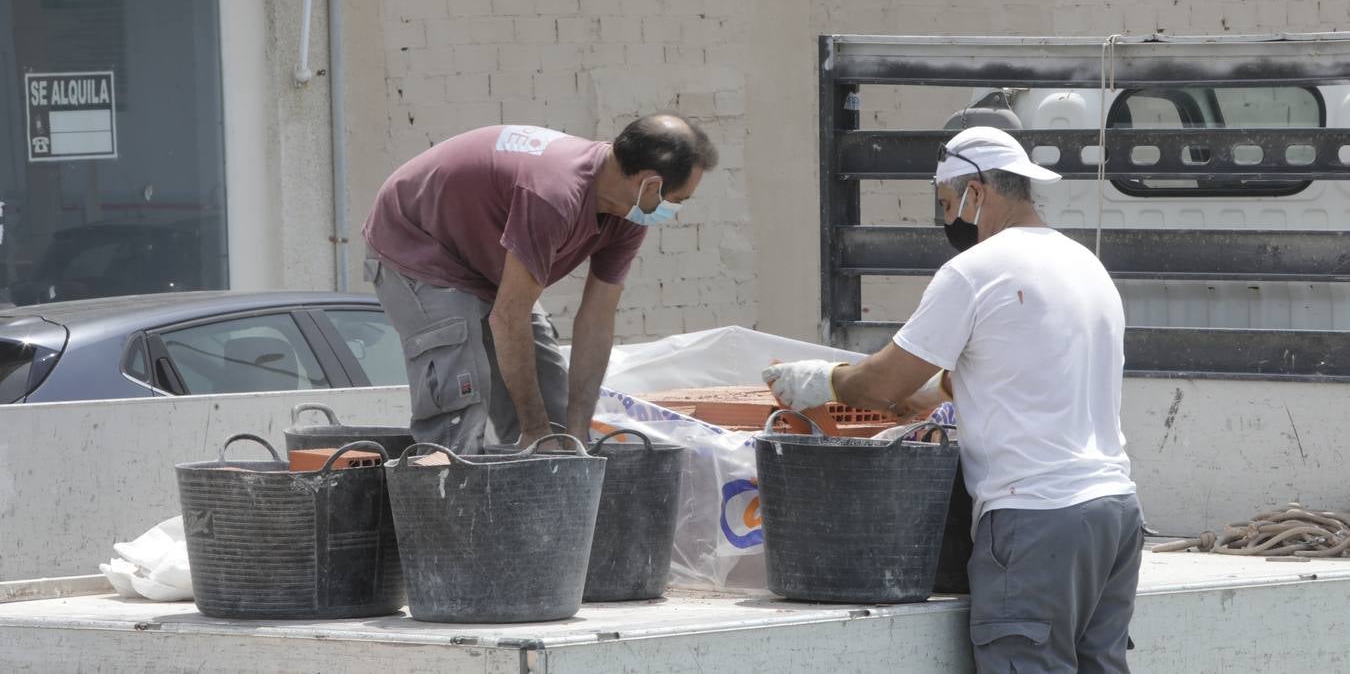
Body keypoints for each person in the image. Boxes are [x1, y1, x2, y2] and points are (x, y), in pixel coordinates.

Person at [763, 126, 1141, 673]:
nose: (947, 220)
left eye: (947, 204)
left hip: (1035, 516)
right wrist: (927, 396)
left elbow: (883, 382)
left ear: (978, 192)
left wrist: (824, 380)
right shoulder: (1084, 264)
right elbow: (1018, 366)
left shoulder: (975, 271)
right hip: (1114, 512)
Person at [364, 115, 717, 453]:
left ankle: (540, 498)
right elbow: (509, 317)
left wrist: (576, 433)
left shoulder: (631, 212)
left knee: (553, 409)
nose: (674, 210)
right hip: (419, 246)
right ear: (651, 185)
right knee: (460, 399)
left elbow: (596, 319)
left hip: (488, 261)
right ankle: (441, 498)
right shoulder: (555, 195)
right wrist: (534, 433)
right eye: (678, 201)